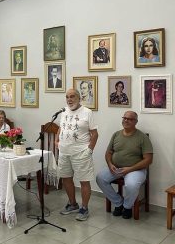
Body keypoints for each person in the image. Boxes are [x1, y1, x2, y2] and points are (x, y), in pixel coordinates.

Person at [96, 111, 153, 219]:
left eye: (130, 119)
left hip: (136, 170)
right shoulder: (116, 134)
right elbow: (108, 153)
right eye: (124, 118)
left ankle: (127, 207)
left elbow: (148, 160)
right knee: (100, 178)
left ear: (136, 122)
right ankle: (118, 203)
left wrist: (130, 169)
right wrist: (110, 164)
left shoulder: (142, 137)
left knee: (131, 185)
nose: (126, 120)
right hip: (116, 168)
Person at [55, 89, 98, 221]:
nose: (69, 99)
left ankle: (84, 208)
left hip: (81, 153)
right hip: (64, 152)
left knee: (84, 181)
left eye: (72, 96)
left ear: (79, 98)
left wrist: (89, 150)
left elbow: (94, 134)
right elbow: (61, 128)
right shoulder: (64, 112)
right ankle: (72, 204)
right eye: (67, 97)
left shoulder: (87, 112)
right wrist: (57, 142)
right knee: (66, 178)